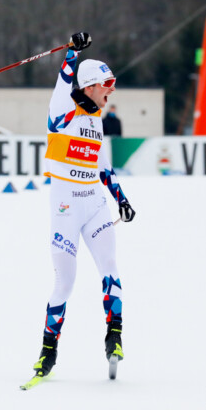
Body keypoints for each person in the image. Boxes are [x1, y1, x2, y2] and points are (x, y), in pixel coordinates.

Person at [31, 32, 136, 383]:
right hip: (65, 209)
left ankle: (114, 336)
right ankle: (48, 352)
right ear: (90, 86)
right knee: (66, 283)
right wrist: (72, 53)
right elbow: (64, 82)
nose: (112, 90)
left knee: (110, 267)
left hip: (94, 205)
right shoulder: (63, 112)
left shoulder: (97, 121)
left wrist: (120, 198)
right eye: (108, 84)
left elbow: (103, 168)